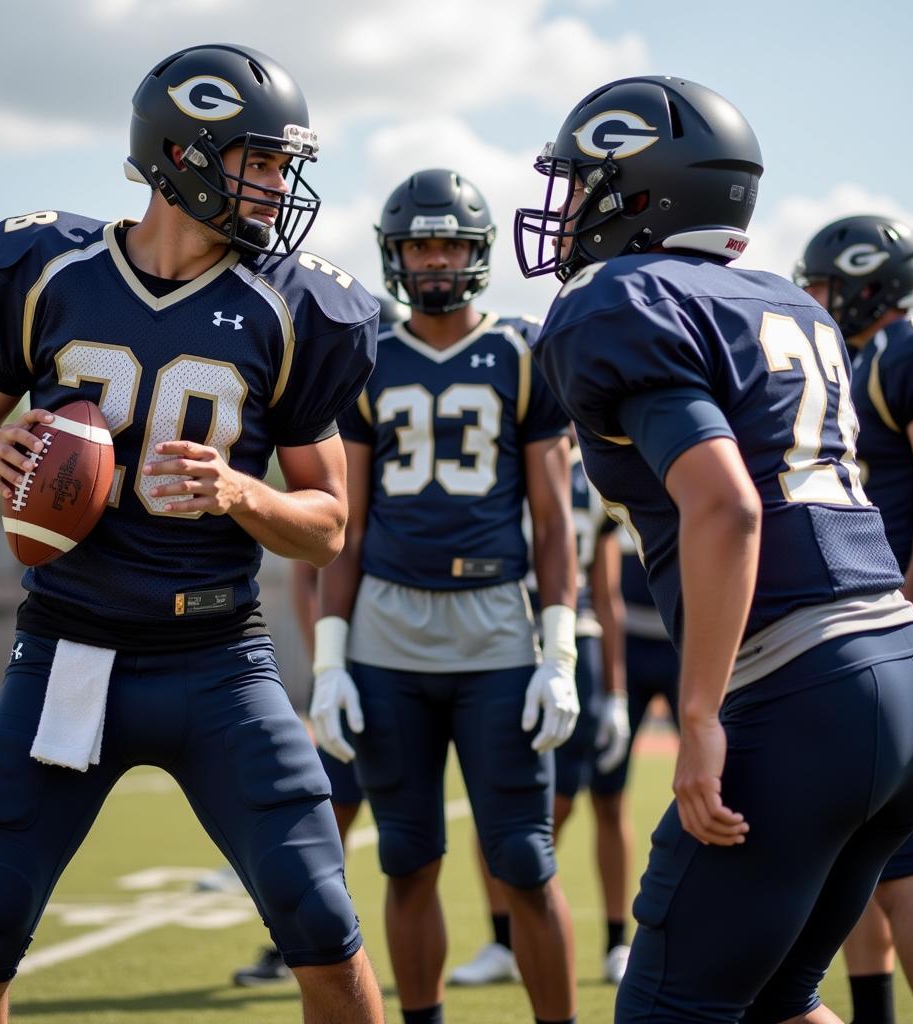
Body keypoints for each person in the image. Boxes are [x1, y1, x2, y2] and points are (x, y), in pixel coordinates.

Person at [0, 43, 385, 1024]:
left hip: (220, 662)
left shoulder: (298, 309)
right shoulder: (46, 272)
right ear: (182, 156)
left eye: (280, 166)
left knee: (322, 921)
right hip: (67, 655)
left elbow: (328, 526)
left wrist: (238, 494)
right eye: (257, 162)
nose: (277, 186)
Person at [515, 74, 913, 1024]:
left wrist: (697, 717)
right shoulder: (787, 303)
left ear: (639, 189)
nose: (567, 207)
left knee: (664, 1009)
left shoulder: (619, 300)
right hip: (894, 668)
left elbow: (728, 509)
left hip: (796, 687)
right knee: (777, 1003)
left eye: (583, 182)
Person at [310, 168, 580, 1024]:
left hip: (498, 630)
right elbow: (343, 526)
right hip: (387, 635)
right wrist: (328, 660)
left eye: (450, 243)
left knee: (525, 861)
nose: (433, 259)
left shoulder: (525, 350)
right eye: (419, 244)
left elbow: (553, 521)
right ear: (395, 254)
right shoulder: (368, 356)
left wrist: (563, 653)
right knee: (406, 857)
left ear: (477, 254)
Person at [232, 294, 404, 989]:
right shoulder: (342, 428)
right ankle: (293, 944)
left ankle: (504, 938)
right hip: (360, 650)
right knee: (328, 805)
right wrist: (330, 663)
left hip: (419, 645)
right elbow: (318, 558)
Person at [449, 444, 629, 988]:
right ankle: (502, 939)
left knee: (578, 799)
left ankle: (617, 939)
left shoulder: (595, 472)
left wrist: (617, 694)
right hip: (505, 636)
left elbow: (608, 592)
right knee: (494, 798)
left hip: (576, 642)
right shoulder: (493, 458)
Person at [795, 214, 913, 1024]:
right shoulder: (870, 356)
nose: (818, 300)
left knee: (903, 865)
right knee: (867, 857)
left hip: (896, 629)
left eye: (827, 286)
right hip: (873, 633)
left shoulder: (903, 352)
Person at [588, 538, 678, 984]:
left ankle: (731, 932)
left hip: (690, 637)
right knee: (606, 797)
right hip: (623, 641)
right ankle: (615, 941)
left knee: (725, 790)